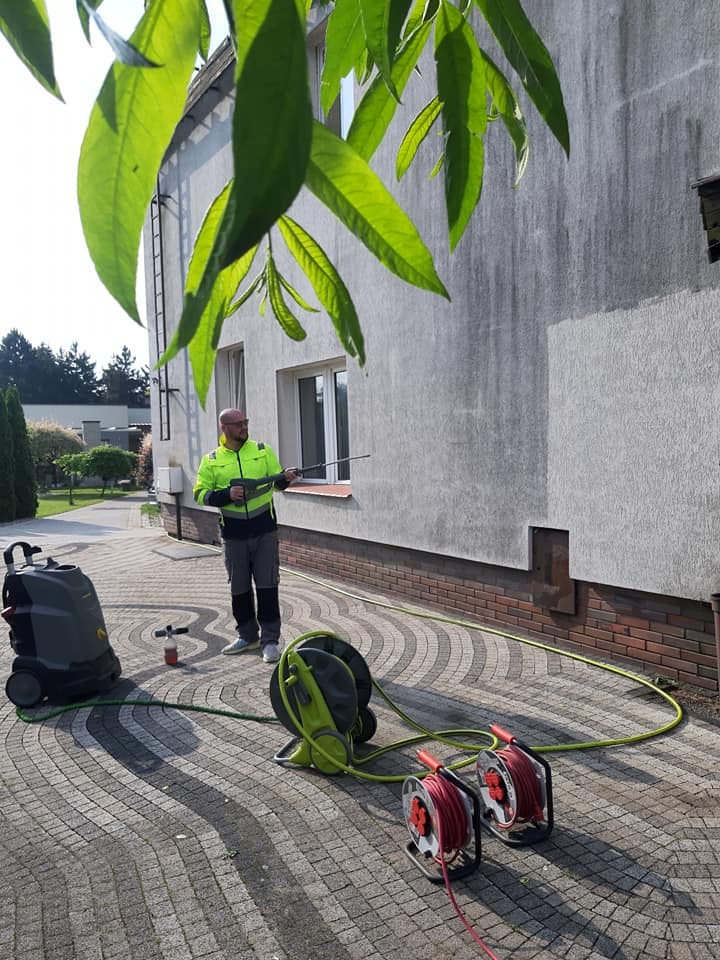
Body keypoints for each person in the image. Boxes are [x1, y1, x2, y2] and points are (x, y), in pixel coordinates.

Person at [193, 409, 299, 663]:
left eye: (246, 422)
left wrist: (287, 479)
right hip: (233, 535)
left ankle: (270, 641)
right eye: (238, 423)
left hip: (265, 532)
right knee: (239, 589)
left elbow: (276, 483)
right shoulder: (211, 459)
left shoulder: (262, 450)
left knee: (267, 586)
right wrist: (226, 496)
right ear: (224, 428)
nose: (244, 427)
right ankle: (247, 636)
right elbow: (199, 493)